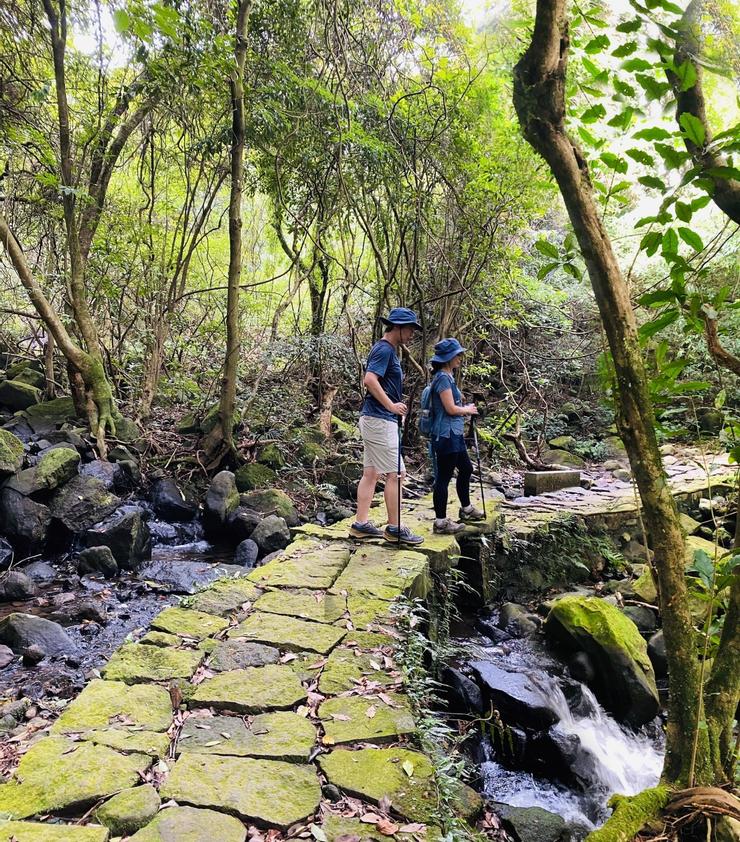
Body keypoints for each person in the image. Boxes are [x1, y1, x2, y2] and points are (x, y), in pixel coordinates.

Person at [349, 307, 425, 545]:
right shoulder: (384, 349)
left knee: (371, 472)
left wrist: (392, 408)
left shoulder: (388, 350)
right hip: (379, 419)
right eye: (410, 329)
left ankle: (360, 525)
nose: (412, 334)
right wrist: (392, 406)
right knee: (397, 473)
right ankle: (394, 528)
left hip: (375, 418)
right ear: (398, 327)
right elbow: (370, 380)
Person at [428, 338, 485, 534]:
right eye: (457, 354)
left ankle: (466, 509)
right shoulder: (443, 378)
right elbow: (451, 409)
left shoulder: (447, 377)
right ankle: (441, 522)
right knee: (443, 478)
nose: (460, 357)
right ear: (448, 358)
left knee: (466, 468)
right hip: (446, 435)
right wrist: (467, 409)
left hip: (454, 434)